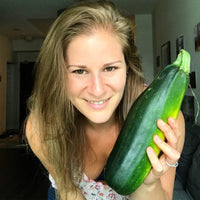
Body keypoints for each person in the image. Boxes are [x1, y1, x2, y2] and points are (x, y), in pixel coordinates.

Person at [25, 1, 185, 199]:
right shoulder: (43, 125)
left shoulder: (165, 119)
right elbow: (69, 192)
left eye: (110, 68)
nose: (97, 90)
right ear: (58, 75)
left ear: (128, 66)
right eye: (79, 71)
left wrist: (148, 185)